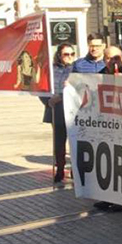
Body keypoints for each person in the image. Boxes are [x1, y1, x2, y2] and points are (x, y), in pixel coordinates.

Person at [42, 43, 75, 184]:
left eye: (72, 54)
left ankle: (75, 170)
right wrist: (48, 101)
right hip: (56, 110)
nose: (69, 57)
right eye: (66, 54)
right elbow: (42, 88)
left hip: (73, 110)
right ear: (59, 56)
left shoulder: (76, 68)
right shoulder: (51, 69)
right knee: (59, 142)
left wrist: (61, 97)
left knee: (74, 142)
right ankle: (60, 169)